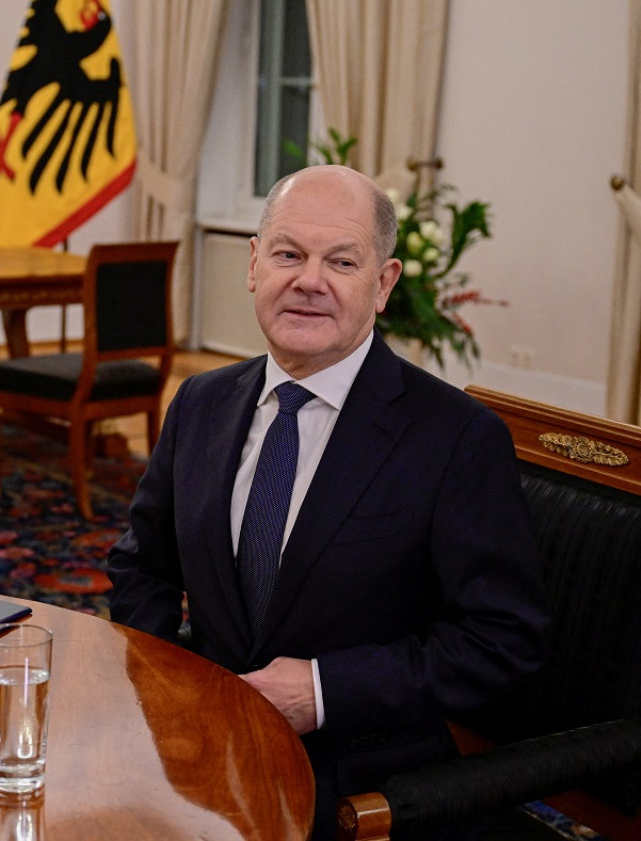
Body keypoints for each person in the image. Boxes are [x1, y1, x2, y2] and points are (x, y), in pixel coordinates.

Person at [106, 164, 547, 839]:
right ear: (254, 265)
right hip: (200, 754)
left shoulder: (455, 438)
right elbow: (143, 567)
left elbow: (502, 641)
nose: (309, 281)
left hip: (363, 788)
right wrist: (178, 687)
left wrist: (322, 689)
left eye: (341, 261)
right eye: (288, 254)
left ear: (384, 284)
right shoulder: (200, 403)